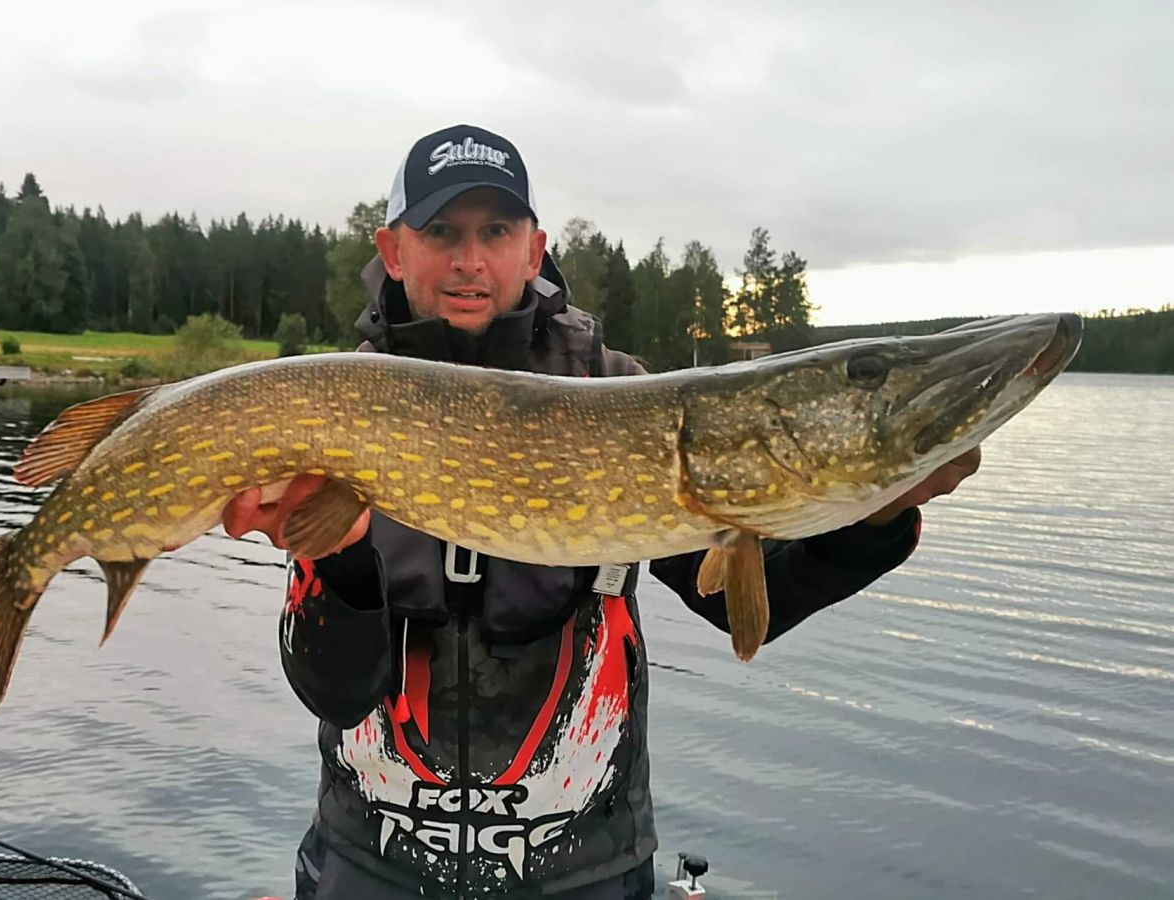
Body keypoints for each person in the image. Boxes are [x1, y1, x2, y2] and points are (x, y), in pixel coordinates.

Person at [222, 124, 981, 899]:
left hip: (582, 869)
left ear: (534, 246)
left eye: (496, 231)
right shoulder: (331, 408)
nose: (469, 260)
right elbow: (332, 689)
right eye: (440, 231)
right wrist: (341, 562)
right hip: (372, 862)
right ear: (392, 250)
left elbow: (758, 598)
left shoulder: (622, 393)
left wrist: (875, 521)